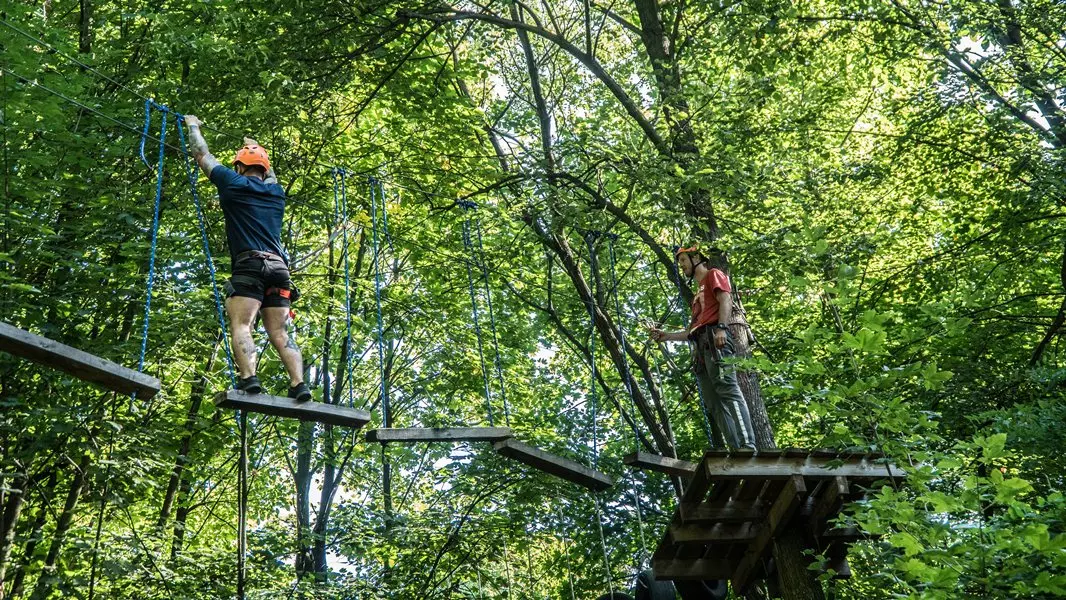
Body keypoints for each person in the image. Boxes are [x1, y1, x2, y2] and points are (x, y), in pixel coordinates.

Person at [182, 115, 311, 402]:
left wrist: (193, 126)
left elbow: (202, 154)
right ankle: (299, 383)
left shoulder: (232, 183)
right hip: (280, 270)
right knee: (279, 330)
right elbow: (271, 174)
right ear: (265, 172)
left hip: (250, 264)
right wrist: (258, 148)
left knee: (242, 324)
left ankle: (250, 378)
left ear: (239, 167)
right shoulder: (276, 192)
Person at [648, 246, 755, 449]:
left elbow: (726, 299)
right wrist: (665, 336)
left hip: (716, 340)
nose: (682, 266)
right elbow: (691, 331)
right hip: (702, 347)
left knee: (727, 389)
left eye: (683, 261)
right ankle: (736, 448)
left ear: (696, 257)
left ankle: (747, 444)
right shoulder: (698, 295)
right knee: (713, 402)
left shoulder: (713, 275)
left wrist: (722, 328)